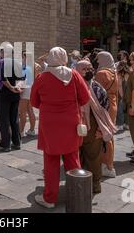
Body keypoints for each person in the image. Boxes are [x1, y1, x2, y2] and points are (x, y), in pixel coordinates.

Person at [30, 47, 90, 208]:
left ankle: (50, 198)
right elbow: (85, 97)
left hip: (50, 123)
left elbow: (34, 102)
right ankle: (78, 193)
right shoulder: (74, 75)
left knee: (51, 160)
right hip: (71, 121)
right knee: (72, 157)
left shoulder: (42, 77)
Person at [75, 60, 115, 194]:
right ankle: (82, 185)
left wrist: (100, 128)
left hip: (91, 127)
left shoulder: (96, 88)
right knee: (79, 157)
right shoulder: (72, 86)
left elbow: (105, 110)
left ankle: (94, 185)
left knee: (93, 158)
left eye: (90, 68)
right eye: (85, 68)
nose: (88, 70)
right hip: (76, 125)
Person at [0, 44, 24, 152]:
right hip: (15, 95)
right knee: (14, 119)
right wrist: (17, 88)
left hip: (4, 95)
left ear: (3, 52)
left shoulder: (2, 62)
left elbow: (2, 78)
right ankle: (17, 142)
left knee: (4, 120)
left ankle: (5, 144)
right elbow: (22, 78)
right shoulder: (17, 62)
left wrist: (11, 88)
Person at [95, 51, 118, 178]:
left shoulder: (102, 73)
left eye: (99, 59)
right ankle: (109, 164)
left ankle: (107, 165)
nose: (97, 62)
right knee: (110, 136)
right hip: (113, 105)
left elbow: (96, 93)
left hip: (104, 107)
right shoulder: (114, 72)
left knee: (104, 136)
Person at [19, 52, 37, 137]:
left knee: (22, 112)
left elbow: (23, 79)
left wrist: (20, 89)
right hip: (31, 88)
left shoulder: (26, 66)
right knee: (30, 110)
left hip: (25, 89)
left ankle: (21, 131)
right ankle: (32, 130)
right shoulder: (33, 65)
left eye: (22, 56)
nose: (22, 58)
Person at [116, 61, 130, 131]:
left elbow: (119, 86)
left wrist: (122, 96)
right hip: (128, 93)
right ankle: (127, 124)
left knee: (120, 110)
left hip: (122, 94)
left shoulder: (119, 74)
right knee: (127, 109)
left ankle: (120, 124)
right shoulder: (129, 73)